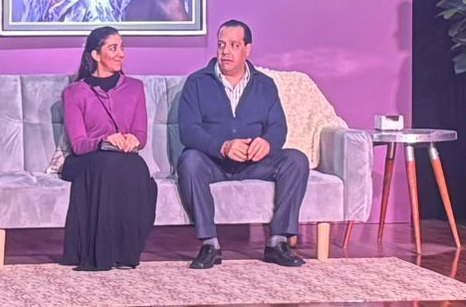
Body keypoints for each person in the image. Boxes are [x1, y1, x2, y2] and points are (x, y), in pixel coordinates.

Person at [176, 20, 308, 269]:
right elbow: (188, 130)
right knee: (189, 160)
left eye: (234, 45)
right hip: (214, 163)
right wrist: (222, 147)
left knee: (296, 160)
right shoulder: (197, 82)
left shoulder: (265, 85)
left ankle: (278, 242)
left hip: (255, 163)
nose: (225, 51)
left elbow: (278, 127)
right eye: (221, 45)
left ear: (248, 49)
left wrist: (267, 143)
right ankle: (210, 245)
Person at [59, 26, 158, 270]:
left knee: (137, 166)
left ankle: (126, 253)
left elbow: (141, 135)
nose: (121, 53)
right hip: (86, 159)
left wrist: (133, 140)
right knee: (108, 164)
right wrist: (105, 140)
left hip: (122, 158)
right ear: (95, 54)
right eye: (113, 48)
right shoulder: (74, 92)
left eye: (122, 47)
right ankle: (101, 254)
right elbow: (79, 144)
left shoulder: (135, 88)